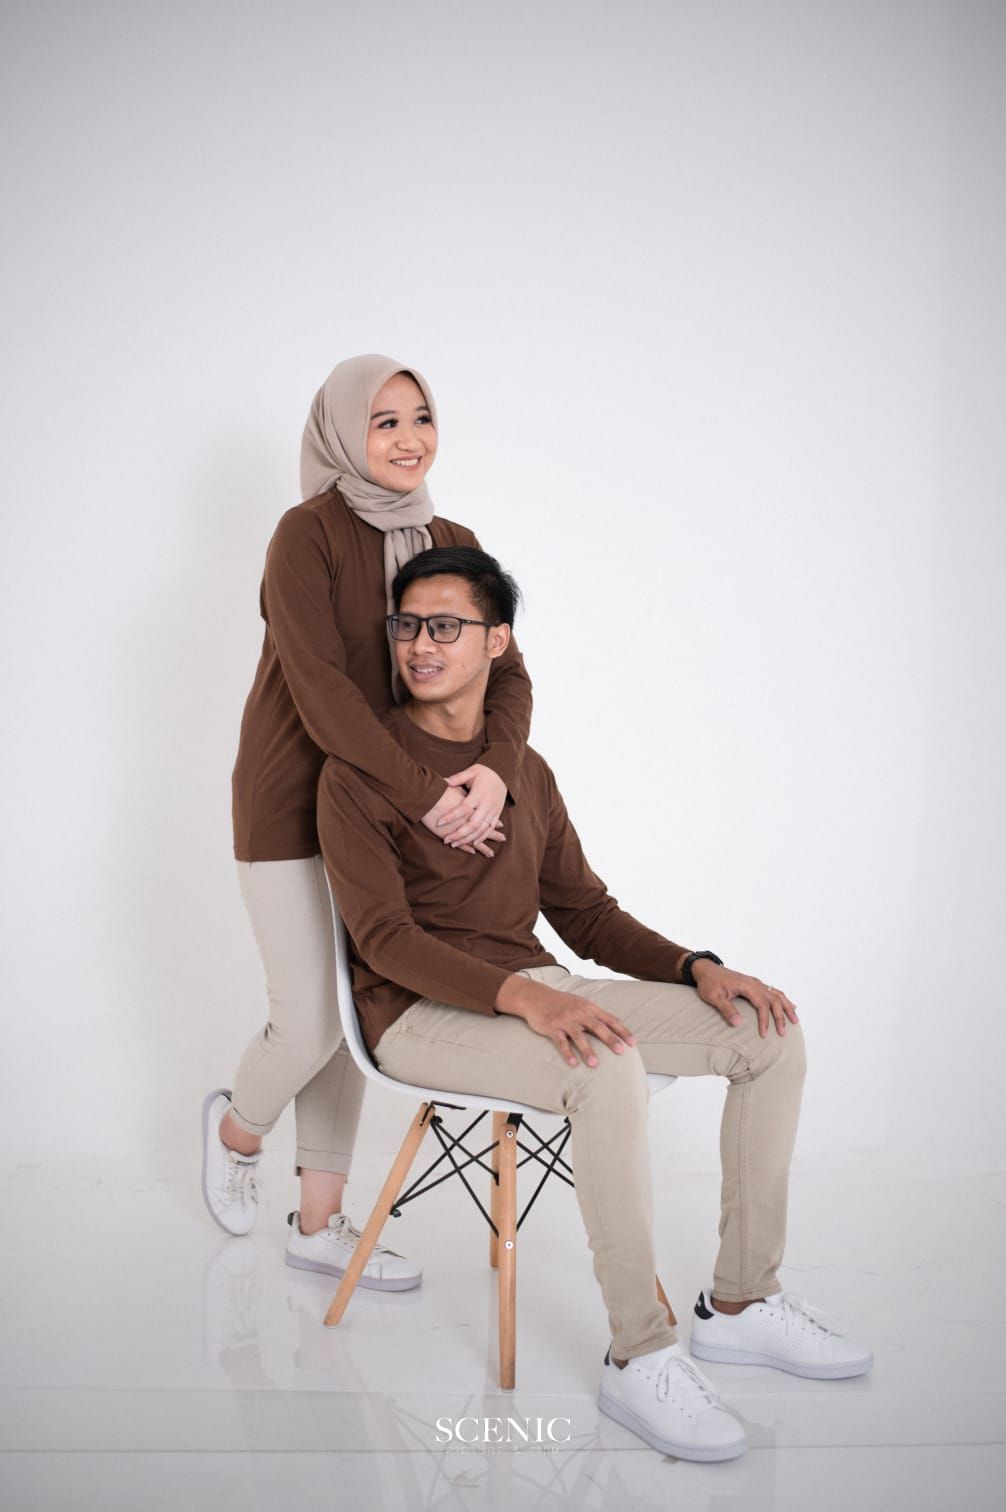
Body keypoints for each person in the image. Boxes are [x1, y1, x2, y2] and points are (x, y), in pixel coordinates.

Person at [316, 545, 873, 1465]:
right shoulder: (360, 771)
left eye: (446, 626)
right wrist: (522, 999)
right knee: (602, 1062)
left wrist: (696, 967)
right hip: (414, 1013)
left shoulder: (523, 772)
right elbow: (383, 940)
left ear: (497, 642)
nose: (420, 645)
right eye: (407, 625)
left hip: (535, 988)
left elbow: (584, 912)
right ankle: (639, 1354)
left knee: (765, 1034)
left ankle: (742, 1300)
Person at [201, 359, 533, 1295]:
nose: (408, 438)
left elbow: (507, 670)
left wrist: (496, 771)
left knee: (354, 1009)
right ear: (344, 432)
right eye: (383, 421)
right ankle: (236, 1130)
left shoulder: (453, 541)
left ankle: (317, 1224)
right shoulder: (304, 535)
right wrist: (431, 797)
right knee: (308, 1018)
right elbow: (324, 695)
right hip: (290, 804)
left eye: (421, 417)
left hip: (392, 812)